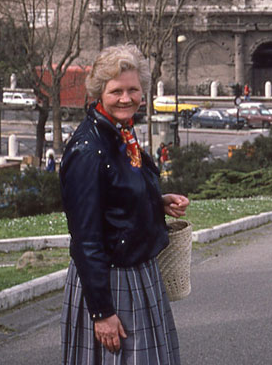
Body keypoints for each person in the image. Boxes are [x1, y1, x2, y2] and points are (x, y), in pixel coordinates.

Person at [60, 44, 190, 364]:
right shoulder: (89, 150)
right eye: (116, 91)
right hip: (111, 281)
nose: (126, 98)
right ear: (99, 92)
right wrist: (102, 313)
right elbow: (86, 237)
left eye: (133, 90)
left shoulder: (121, 133)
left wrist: (155, 202)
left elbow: (114, 196)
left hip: (137, 272)